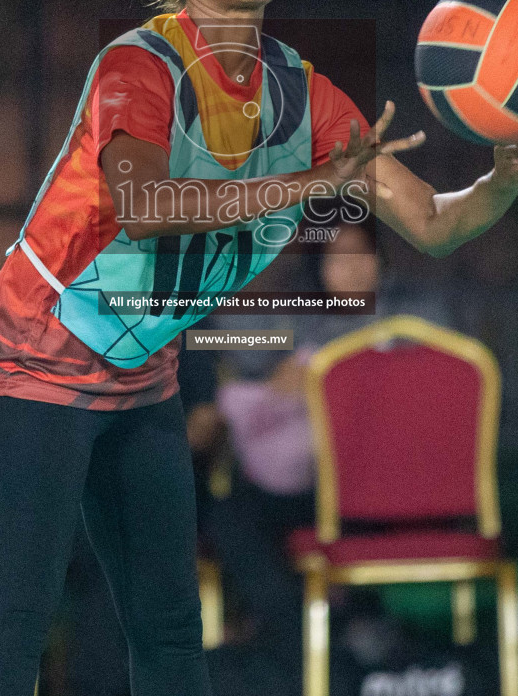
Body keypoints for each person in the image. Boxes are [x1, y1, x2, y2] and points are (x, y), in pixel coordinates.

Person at [0, 0, 518, 696]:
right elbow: (146, 203)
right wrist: (308, 183)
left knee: (169, 628)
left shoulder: (307, 99)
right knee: (18, 625)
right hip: (29, 367)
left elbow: (432, 223)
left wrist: (503, 180)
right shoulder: (139, 66)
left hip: (141, 380)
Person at [203, 220, 449, 693]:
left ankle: (317, 643)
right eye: (338, 259)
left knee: (247, 514)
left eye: (362, 256)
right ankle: (317, 637)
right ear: (318, 268)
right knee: (231, 515)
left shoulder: (413, 317)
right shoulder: (297, 321)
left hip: (390, 488)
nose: (353, 270)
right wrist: (281, 382)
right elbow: (226, 335)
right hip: (311, 487)